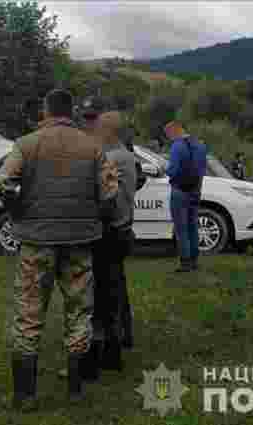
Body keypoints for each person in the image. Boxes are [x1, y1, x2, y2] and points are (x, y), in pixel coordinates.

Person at [0, 89, 118, 411]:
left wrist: (17, 210)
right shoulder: (92, 146)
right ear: (71, 112)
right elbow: (108, 194)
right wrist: (95, 219)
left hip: (35, 242)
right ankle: (76, 390)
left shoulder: (26, 144)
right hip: (79, 241)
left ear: (46, 111)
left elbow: (3, 182)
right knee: (79, 312)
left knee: (29, 314)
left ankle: (25, 396)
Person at [89, 111, 137, 376]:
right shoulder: (127, 156)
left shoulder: (113, 158)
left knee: (105, 294)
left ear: (108, 132)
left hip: (110, 231)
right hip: (122, 228)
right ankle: (123, 338)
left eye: (97, 129)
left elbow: (103, 196)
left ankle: (109, 351)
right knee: (117, 287)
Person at [165, 121, 207, 272]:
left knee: (181, 228)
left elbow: (173, 170)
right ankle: (195, 261)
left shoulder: (177, 146)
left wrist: (167, 170)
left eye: (168, 135)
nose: (168, 138)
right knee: (193, 226)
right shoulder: (200, 145)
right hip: (195, 190)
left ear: (173, 131)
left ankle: (185, 263)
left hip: (179, 191)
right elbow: (203, 169)